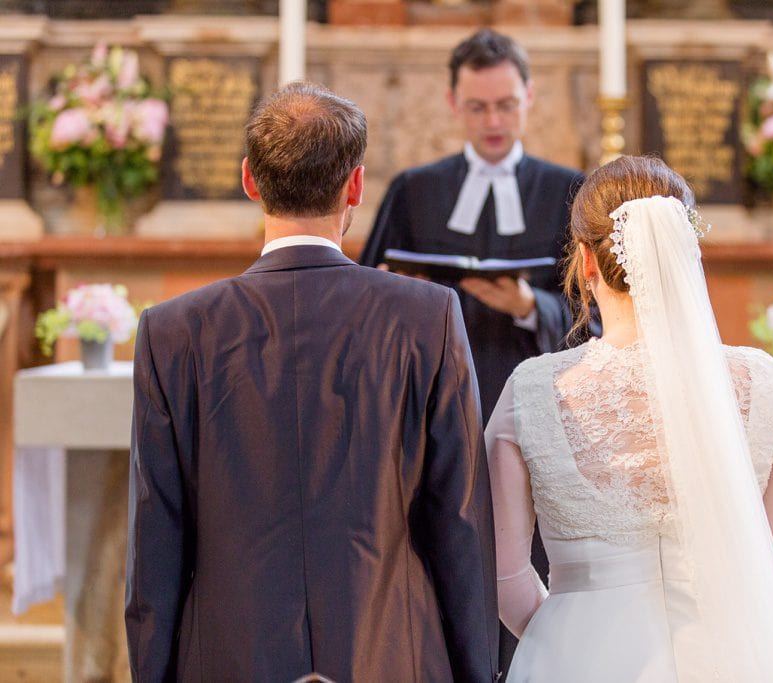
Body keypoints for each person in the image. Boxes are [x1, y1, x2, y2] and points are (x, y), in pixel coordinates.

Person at [125, 82, 499, 682]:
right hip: (392, 654)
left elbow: (156, 541)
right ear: (355, 185)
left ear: (250, 180)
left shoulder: (172, 331)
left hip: (226, 658)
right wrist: (477, 672)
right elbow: (460, 522)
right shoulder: (427, 316)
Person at [485, 156, 773, 681]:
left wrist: (568, 630)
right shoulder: (762, 384)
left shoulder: (532, 390)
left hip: (576, 658)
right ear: (687, 251)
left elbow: (503, 574)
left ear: (586, 261)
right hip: (731, 654)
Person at [359, 28, 585, 422]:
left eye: (507, 104)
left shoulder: (569, 191)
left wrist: (532, 307)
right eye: (477, 107)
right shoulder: (413, 190)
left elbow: (598, 311)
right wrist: (402, 294)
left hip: (539, 400)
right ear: (453, 102)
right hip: (433, 399)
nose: (493, 121)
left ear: (530, 96)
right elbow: (365, 298)